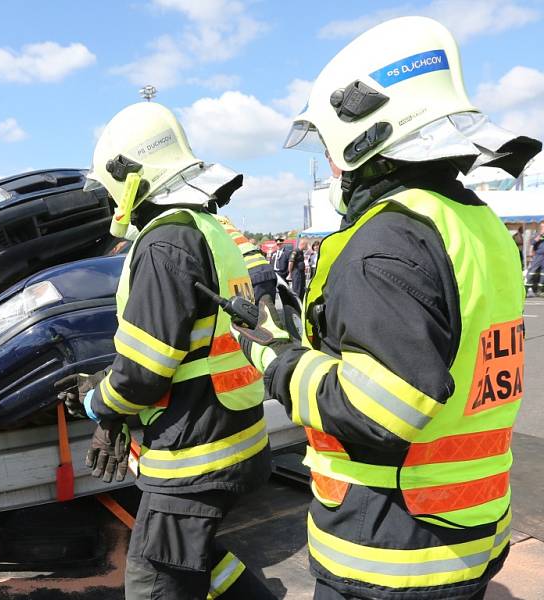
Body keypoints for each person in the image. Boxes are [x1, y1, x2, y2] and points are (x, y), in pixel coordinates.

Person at [232, 16, 541, 600]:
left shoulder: (384, 241)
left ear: (367, 133)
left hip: (391, 550)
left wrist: (277, 360)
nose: (331, 166)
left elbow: (379, 411)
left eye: (329, 148)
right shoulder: (475, 224)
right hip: (467, 527)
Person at [57, 102, 275, 600]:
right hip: (236, 438)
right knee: (197, 560)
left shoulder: (163, 242)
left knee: (154, 581)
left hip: (194, 458)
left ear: (127, 176)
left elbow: (144, 373)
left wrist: (97, 403)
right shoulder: (210, 229)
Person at [527, 221, 544, 295]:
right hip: (538, 256)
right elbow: (532, 242)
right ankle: (526, 289)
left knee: (543, 273)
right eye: (542, 227)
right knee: (532, 271)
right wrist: (540, 235)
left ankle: (540, 290)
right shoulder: (537, 235)